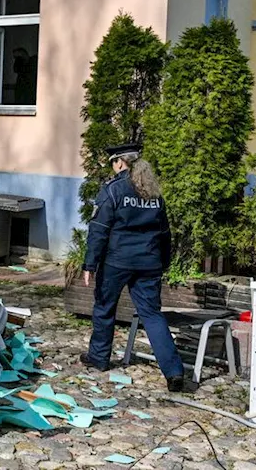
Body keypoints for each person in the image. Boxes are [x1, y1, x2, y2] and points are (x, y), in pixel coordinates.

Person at [79, 143, 194, 393]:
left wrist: (90, 264)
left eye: (113, 163)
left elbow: (99, 230)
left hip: (117, 261)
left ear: (119, 163)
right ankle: (174, 372)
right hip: (149, 262)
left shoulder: (112, 191)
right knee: (152, 315)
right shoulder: (154, 193)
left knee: (104, 307)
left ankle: (98, 359)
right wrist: (163, 262)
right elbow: (165, 233)